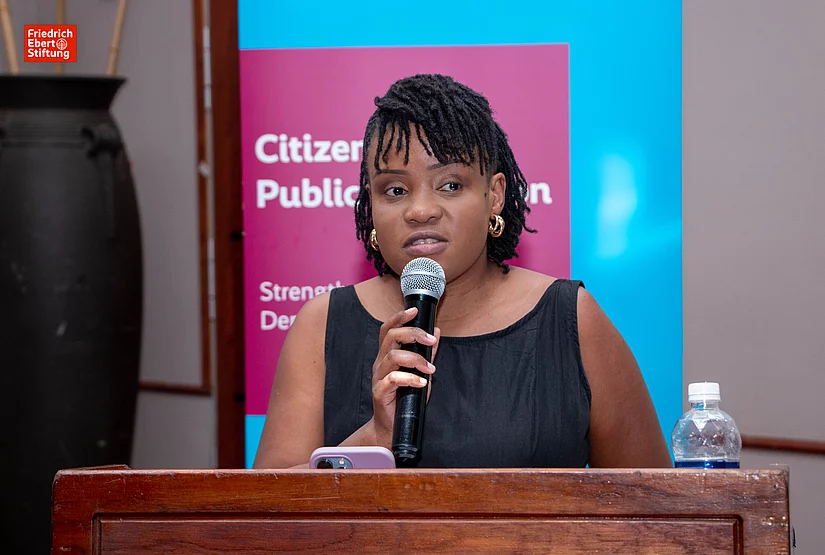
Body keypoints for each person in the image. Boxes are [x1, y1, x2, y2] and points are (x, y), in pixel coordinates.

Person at [254, 74, 672, 469]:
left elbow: (657, 511)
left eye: (450, 185)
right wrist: (372, 440)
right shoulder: (322, 324)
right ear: (371, 207)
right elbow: (263, 517)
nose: (420, 211)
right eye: (394, 190)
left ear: (494, 196)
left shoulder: (570, 319)